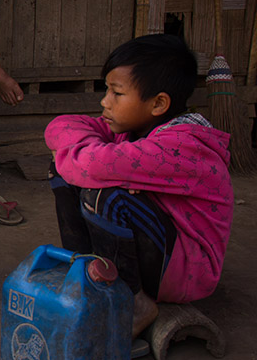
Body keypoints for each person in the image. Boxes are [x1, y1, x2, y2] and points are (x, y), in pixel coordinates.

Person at [44, 34, 233, 339]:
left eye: (117, 93)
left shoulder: (182, 146)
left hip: (185, 271)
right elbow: (59, 126)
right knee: (68, 171)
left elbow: (91, 165)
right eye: (107, 90)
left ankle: (133, 303)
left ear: (158, 103)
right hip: (160, 254)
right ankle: (85, 275)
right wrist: (77, 157)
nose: (105, 102)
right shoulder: (132, 127)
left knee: (102, 192)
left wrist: (79, 157)